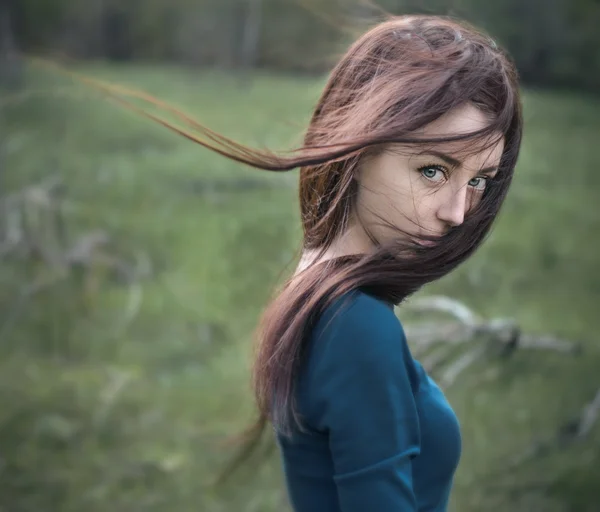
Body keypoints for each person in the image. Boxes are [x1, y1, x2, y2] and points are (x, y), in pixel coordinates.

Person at [65, 12, 522, 512]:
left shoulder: (316, 285)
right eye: (433, 170)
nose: (458, 212)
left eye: (479, 181)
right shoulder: (358, 326)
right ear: (358, 146)